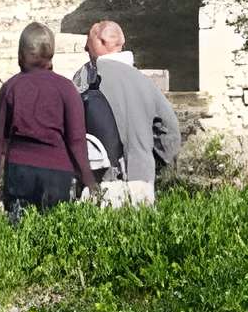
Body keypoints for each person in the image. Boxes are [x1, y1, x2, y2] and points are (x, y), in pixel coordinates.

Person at [0, 20, 92, 222]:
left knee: (19, 236)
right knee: (55, 235)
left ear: (21, 54)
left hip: (20, 172)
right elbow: (76, 141)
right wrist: (89, 182)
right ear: (51, 54)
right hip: (58, 174)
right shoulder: (66, 89)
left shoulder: (11, 87)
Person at [76, 19, 184, 208]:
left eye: (88, 41)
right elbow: (171, 132)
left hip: (100, 182)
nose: (85, 48)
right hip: (142, 182)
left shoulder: (85, 78)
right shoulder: (145, 83)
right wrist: (149, 161)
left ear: (102, 42)